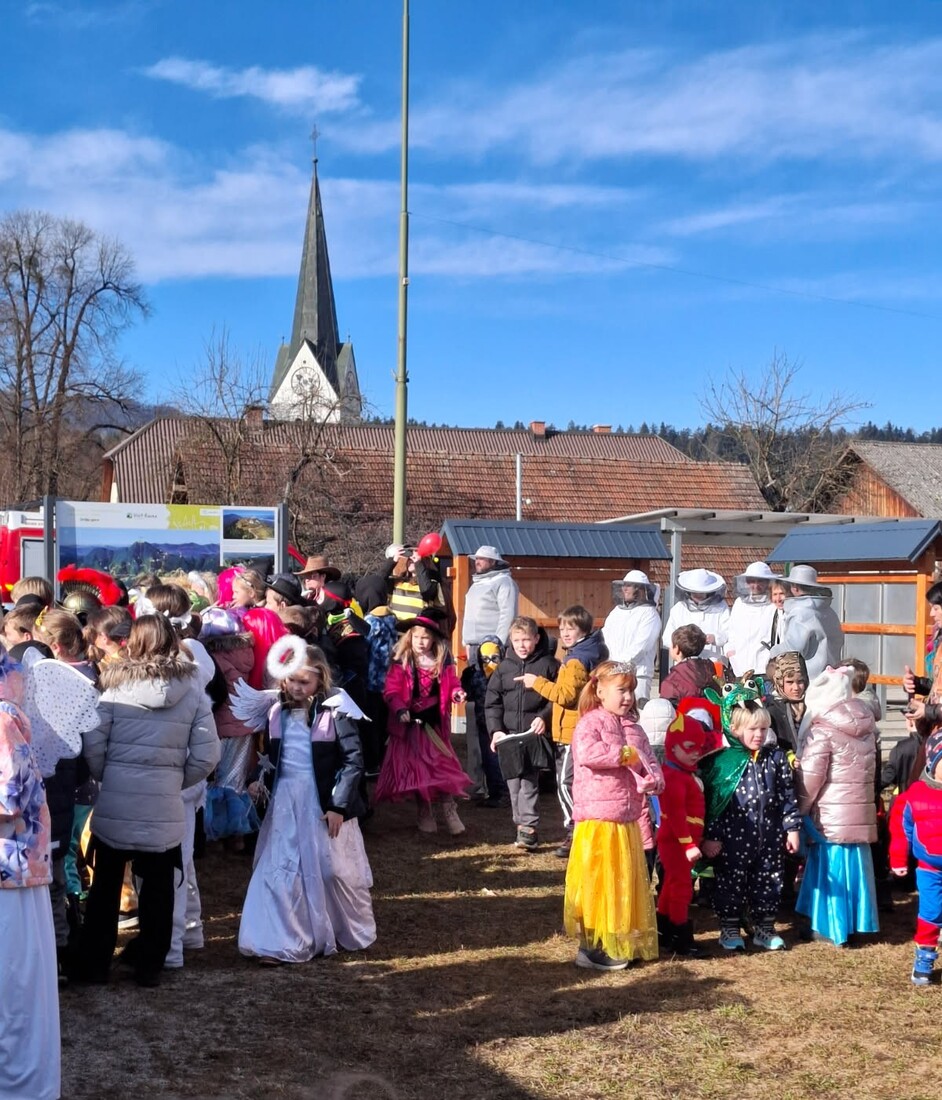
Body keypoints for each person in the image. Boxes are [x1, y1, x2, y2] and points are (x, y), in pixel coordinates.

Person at [73, 614, 219, 987]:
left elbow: (93, 742)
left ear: (133, 642)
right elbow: (206, 755)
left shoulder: (113, 686)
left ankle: (95, 965)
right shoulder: (192, 690)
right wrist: (174, 781)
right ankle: (150, 965)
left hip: (117, 801)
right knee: (158, 886)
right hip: (164, 803)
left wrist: (110, 775)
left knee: (106, 886)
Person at [238, 643, 375, 965]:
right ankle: (277, 940)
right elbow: (272, 757)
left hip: (321, 803)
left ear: (320, 679)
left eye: (305, 682)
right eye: (292, 680)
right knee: (280, 866)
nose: (297, 688)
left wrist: (338, 806)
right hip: (285, 802)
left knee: (330, 870)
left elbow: (353, 761)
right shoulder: (276, 712)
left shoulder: (335, 711)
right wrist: (259, 779)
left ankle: (336, 926)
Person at [563, 660, 663, 970]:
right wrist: (622, 755)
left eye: (631, 691)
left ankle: (619, 939)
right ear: (600, 691)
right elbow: (588, 753)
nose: (628, 698)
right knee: (599, 884)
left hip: (627, 819)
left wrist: (653, 779)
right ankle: (593, 945)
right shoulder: (590, 723)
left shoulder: (634, 728)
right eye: (622, 690)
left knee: (623, 883)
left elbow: (649, 762)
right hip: (599, 819)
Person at [0, 649, 60, 1100]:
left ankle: (20, 1087)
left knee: (15, 988)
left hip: (12, 871)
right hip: (14, 867)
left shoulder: (2, 717)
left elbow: (10, 796)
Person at [700, 700, 800, 951]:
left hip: (769, 838)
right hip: (732, 839)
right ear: (734, 729)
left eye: (763, 729)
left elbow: (787, 796)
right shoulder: (723, 761)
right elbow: (714, 803)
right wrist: (712, 835)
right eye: (752, 729)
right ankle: (730, 928)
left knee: (768, 880)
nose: (759, 735)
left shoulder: (776, 759)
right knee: (730, 883)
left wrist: (792, 828)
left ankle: (764, 928)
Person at [795, 665, 879, 947]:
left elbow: (810, 778)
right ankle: (857, 923)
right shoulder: (866, 728)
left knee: (831, 871)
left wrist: (800, 809)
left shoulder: (822, 731)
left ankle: (830, 926)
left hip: (830, 816)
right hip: (858, 812)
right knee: (856, 870)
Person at [516, 605, 607, 858]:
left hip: (572, 732)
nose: (565, 633)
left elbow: (566, 696)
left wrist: (537, 682)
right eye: (563, 628)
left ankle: (574, 829)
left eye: (571, 628)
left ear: (583, 630)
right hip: (578, 728)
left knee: (566, 783)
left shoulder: (577, 660)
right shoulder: (587, 651)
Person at [375, 609, 470, 834]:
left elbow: (452, 684)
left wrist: (457, 693)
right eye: (417, 637)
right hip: (411, 725)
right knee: (418, 770)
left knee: (441, 765)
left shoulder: (442, 660)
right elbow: (391, 691)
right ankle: (424, 811)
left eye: (425, 637)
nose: (420, 642)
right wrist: (399, 709)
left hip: (434, 724)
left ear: (433, 639)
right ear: (410, 637)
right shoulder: (401, 660)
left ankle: (449, 808)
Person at [485, 616, 559, 850]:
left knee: (528, 781)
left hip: (532, 734)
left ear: (536, 639)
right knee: (513, 784)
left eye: (526, 639)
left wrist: (544, 717)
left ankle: (529, 827)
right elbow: (492, 703)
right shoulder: (503, 668)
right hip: (508, 736)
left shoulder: (549, 665)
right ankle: (521, 826)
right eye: (516, 640)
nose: (522, 645)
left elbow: (557, 698)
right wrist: (495, 730)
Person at [656, 709, 721, 956]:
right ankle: (680, 934)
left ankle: (664, 929)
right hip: (676, 842)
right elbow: (675, 814)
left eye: (699, 748)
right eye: (689, 747)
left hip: (682, 841)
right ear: (673, 747)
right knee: (682, 888)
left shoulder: (683, 772)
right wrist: (688, 844)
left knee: (672, 884)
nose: (696, 753)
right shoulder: (674, 776)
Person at [461, 545, 519, 798]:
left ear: (494, 562)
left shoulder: (504, 582)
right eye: (477, 558)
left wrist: (497, 645)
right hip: (474, 649)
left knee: (489, 710)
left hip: (491, 650)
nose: (478, 562)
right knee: (477, 713)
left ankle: (498, 784)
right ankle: (481, 781)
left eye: (483, 559)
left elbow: (507, 615)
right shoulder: (476, 585)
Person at [890, 731, 942, 984]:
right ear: (933, 763)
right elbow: (902, 831)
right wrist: (898, 859)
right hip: (930, 868)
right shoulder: (915, 795)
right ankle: (924, 959)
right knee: (931, 913)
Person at [768, 564, 844, 679]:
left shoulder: (801, 613)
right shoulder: (828, 610)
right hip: (832, 675)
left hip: (810, 679)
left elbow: (794, 649)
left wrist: (775, 650)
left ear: (795, 587)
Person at [602, 570, 662, 704]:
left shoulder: (650, 614)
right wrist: (610, 664)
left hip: (638, 675)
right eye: (624, 585)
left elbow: (642, 646)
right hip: (613, 672)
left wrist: (619, 665)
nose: (624, 589)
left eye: (629, 586)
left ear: (639, 589)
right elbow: (605, 638)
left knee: (637, 712)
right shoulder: (616, 612)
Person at [661, 568, 729, 665]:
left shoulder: (721, 607)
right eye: (695, 591)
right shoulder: (679, 608)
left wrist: (715, 638)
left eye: (701, 592)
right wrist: (684, 642)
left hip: (712, 662)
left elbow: (730, 632)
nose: (698, 595)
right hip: (684, 664)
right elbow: (667, 638)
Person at [724, 562, 780, 678]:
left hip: (765, 669)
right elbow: (732, 631)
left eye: (760, 581)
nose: (755, 585)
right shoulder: (739, 603)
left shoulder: (774, 605)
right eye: (751, 581)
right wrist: (730, 650)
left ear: (768, 582)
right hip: (740, 668)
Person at [658, 624, 717, 704]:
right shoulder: (711, 671)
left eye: (671, 645)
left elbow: (666, 708)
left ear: (677, 649)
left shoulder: (672, 681)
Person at [765, 652, 810, 757]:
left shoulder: (813, 704)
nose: (796, 688)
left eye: (800, 681)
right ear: (780, 683)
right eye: (790, 682)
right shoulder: (772, 710)